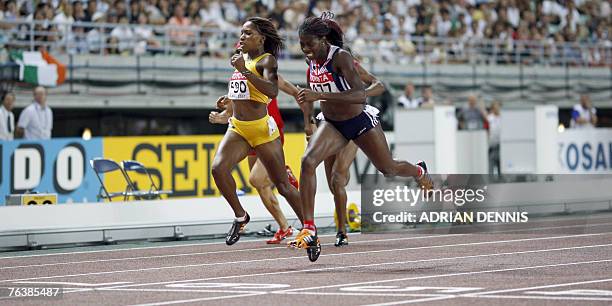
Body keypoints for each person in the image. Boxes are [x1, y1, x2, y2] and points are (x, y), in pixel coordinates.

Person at [291, 14, 433, 261]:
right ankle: (310, 228)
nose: (305, 49)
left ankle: (419, 172)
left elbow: (360, 96)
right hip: (332, 124)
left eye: (309, 44)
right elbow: (309, 96)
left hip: (358, 122)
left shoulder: (342, 58)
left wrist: (320, 96)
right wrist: (309, 121)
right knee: (307, 162)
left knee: (388, 168)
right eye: (302, 44)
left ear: (323, 39)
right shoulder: (311, 60)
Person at [211, 17, 303, 246]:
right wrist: (227, 105)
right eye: (241, 33)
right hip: (239, 129)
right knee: (218, 169)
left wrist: (246, 72)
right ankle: (241, 216)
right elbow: (239, 91)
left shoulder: (267, 60)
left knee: (282, 186)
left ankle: (308, 227)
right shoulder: (239, 60)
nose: (242, 37)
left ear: (261, 39)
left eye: (248, 33)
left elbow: (272, 91)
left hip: (262, 130)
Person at [487, 101, 502, 176]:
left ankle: (501, 178)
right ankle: (491, 179)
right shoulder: (489, 118)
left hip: (501, 145)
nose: (497, 109)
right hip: (492, 145)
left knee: (501, 164)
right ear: (492, 108)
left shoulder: (503, 117)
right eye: (495, 107)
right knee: (491, 163)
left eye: (498, 107)